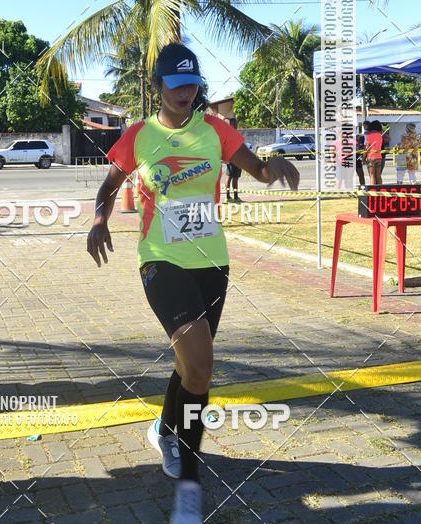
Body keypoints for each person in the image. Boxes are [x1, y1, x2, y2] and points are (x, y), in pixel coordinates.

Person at [87, 43, 299, 524]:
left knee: (190, 368)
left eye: (192, 84)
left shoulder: (215, 131)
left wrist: (273, 168)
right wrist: (100, 218)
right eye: (176, 84)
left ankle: (166, 429)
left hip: (212, 262)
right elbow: (109, 185)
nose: (186, 92)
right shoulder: (139, 136)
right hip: (160, 261)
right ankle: (188, 481)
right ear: (158, 86)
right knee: (202, 366)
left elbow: (258, 170)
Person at [224, 117, 252, 203]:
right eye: (234, 123)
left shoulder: (231, 133)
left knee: (231, 177)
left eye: (236, 123)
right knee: (232, 177)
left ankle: (230, 197)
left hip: (234, 158)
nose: (236, 125)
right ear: (231, 124)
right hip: (233, 158)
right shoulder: (230, 133)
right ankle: (232, 197)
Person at [364, 120, 383, 186]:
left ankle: (373, 191)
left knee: (372, 175)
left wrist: (363, 158)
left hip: (371, 157)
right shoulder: (380, 135)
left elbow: (367, 148)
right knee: (378, 175)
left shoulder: (369, 136)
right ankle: (380, 189)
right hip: (379, 157)